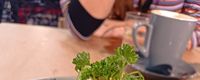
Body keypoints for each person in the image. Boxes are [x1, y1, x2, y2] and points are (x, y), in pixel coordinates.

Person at [60, 0, 200, 48]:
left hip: (161, 72)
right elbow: (80, 26)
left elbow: (195, 28)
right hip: (94, 56)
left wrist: (114, 27)